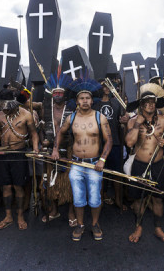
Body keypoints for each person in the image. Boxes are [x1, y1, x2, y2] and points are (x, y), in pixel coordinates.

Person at [52, 77, 112, 241]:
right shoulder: (71, 118)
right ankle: (80, 225)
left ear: (92, 101)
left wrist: (102, 160)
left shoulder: (100, 118)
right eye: (81, 98)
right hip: (76, 164)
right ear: (77, 101)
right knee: (78, 198)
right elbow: (60, 133)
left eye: (87, 98)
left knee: (94, 198)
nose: (85, 101)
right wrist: (55, 149)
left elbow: (109, 141)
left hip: (94, 165)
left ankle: (94, 224)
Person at [0, 88, 39, 230]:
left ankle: (20, 216)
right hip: (3, 154)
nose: (5, 110)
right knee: (6, 186)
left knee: (18, 186)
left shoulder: (26, 115)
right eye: (3, 108)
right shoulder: (0, 115)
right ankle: (8, 216)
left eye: (8, 108)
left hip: (19, 154)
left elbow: (34, 134)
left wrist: (36, 149)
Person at [125, 83, 164, 243]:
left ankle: (158, 228)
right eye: (146, 102)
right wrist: (138, 123)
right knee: (138, 198)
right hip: (140, 164)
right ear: (141, 105)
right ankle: (138, 226)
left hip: (158, 164)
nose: (150, 105)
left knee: (158, 198)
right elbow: (130, 143)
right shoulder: (133, 121)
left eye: (152, 102)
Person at [41, 72, 76, 225]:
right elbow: (43, 127)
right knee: (51, 182)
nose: (58, 95)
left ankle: (71, 212)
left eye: (60, 93)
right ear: (51, 95)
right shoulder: (46, 108)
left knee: (69, 182)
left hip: (69, 148)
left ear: (65, 95)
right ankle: (54, 210)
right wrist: (44, 141)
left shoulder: (72, 109)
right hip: (50, 150)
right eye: (55, 93)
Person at [94, 80, 129, 210]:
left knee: (117, 174)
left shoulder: (117, 102)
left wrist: (126, 120)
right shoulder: (95, 104)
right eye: (103, 86)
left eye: (108, 86)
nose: (106, 89)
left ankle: (118, 200)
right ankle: (101, 199)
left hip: (115, 143)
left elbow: (124, 120)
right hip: (99, 144)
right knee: (100, 174)